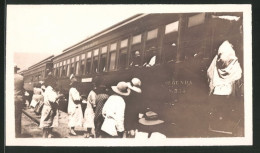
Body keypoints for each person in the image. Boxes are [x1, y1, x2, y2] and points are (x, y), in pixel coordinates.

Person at [207, 40, 242, 121]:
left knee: (218, 110)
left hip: (217, 90)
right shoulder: (234, 62)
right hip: (228, 92)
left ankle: (219, 119)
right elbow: (238, 75)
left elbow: (209, 72)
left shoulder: (217, 60)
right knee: (226, 111)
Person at [14, 64, 25, 137]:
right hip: (18, 99)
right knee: (17, 116)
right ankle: (17, 133)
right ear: (16, 69)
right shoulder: (21, 77)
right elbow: (22, 88)